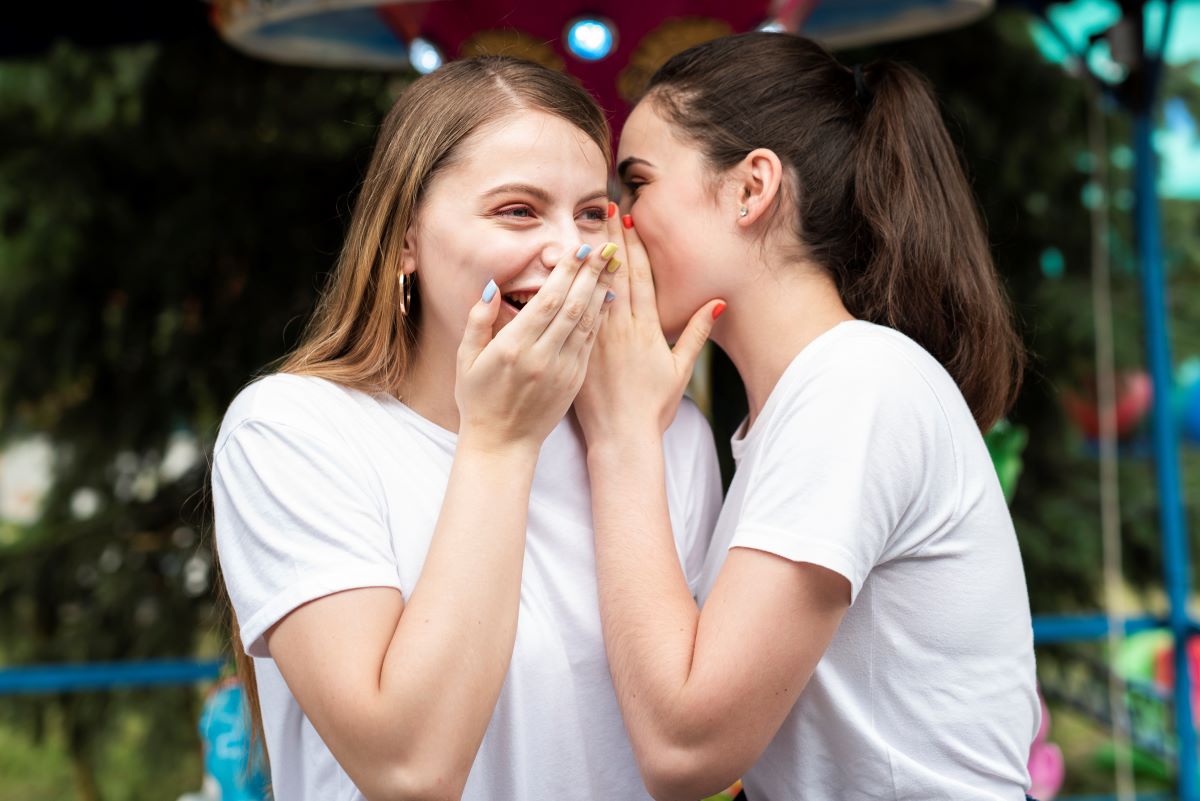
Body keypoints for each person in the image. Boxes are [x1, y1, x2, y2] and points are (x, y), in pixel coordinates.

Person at [211, 56, 722, 801]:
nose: (569, 250)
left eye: (590, 212)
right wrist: (502, 441)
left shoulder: (667, 438)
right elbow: (409, 767)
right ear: (405, 238)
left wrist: (625, 440)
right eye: (517, 210)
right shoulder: (292, 431)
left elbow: (694, 754)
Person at [573, 31, 1039, 801]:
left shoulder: (855, 382)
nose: (613, 223)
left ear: (751, 188)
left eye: (638, 183)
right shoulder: (814, 398)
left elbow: (687, 749)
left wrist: (621, 439)